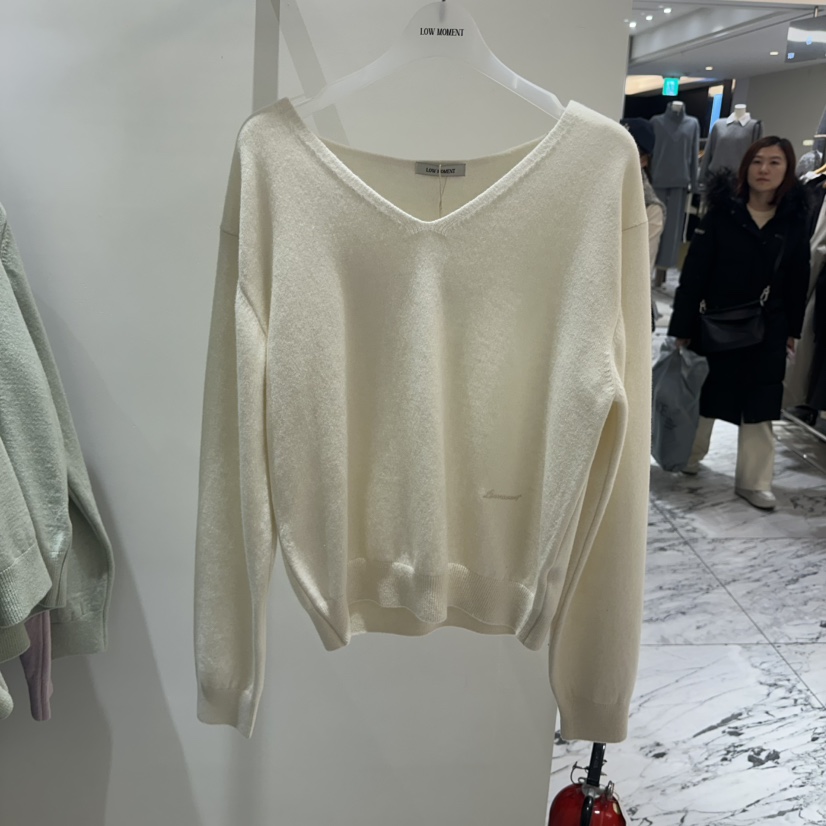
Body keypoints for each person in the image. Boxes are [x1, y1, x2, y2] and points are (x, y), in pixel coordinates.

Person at [667, 136, 811, 510]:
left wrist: (793, 330)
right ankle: (688, 457)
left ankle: (755, 481)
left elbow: (799, 278)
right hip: (715, 321)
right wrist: (681, 327)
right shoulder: (721, 214)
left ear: (787, 170)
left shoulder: (794, 220)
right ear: (746, 168)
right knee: (705, 393)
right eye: (757, 161)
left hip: (768, 327)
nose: (764, 170)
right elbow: (694, 274)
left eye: (775, 162)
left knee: (761, 404)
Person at [622, 117, 666, 331]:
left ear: (644, 160)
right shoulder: (598, 190)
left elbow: (639, 270)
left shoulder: (650, 207)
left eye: (630, 150)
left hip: (625, 308)